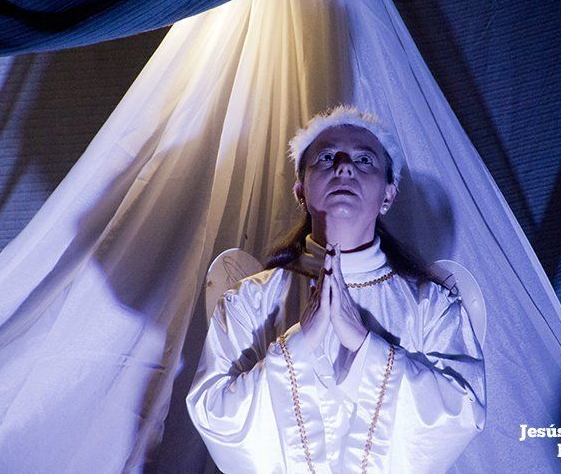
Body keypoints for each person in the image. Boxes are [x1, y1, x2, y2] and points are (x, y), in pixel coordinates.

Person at [186, 105, 485, 473]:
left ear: (388, 195)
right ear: (301, 190)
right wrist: (300, 342)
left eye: (364, 160)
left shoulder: (432, 306)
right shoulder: (248, 300)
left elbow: (462, 413)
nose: (344, 167)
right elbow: (213, 413)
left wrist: (365, 344)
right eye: (326, 158)